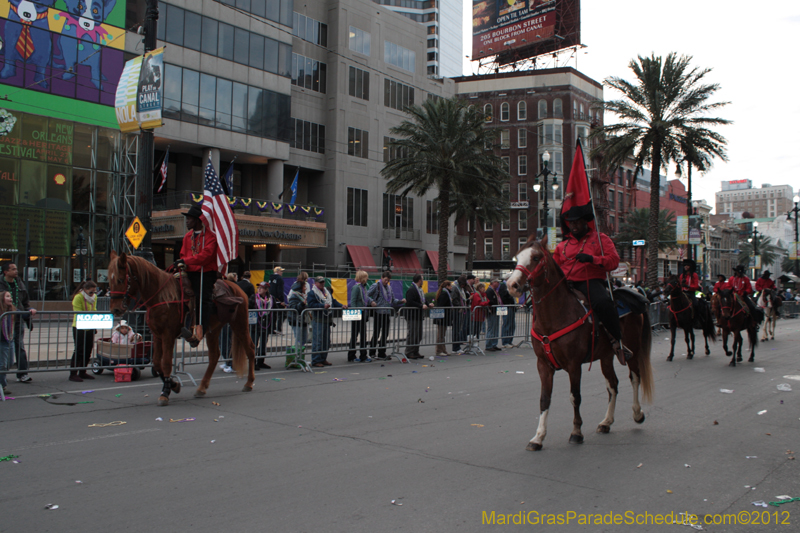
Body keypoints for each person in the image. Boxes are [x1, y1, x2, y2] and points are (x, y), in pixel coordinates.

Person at [554, 205, 631, 364]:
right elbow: (555, 267)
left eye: (577, 222)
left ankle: (617, 342)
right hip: (567, 284)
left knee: (603, 303)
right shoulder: (562, 246)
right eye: (571, 223)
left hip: (591, 281)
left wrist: (592, 259)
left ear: (585, 222)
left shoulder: (601, 239)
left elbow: (614, 262)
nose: (574, 226)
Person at [175, 204, 218, 346]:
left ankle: (200, 332)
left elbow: (205, 257)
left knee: (202, 300)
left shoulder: (210, 237)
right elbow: (183, 254)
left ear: (198, 220)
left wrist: (186, 260)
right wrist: (182, 264)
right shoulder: (188, 236)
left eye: (189, 219)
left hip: (205, 273)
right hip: (190, 271)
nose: (187, 221)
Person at [0, 262, 37, 383]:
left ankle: (22, 373)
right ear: (6, 272)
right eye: (13, 269)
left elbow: (25, 299)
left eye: (16, 269)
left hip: (18, 318)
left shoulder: (19, 282)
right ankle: (2, 377)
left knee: (19, 345)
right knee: (5, 348)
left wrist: (28, 311)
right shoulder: (1, 283)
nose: (16, 271)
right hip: (4, 319)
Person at [307, 276, 345, 367]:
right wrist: (322, 306)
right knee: (318, 341)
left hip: (327, 320)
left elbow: (333, 301)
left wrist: (341, 305)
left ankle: (323, 358)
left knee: (326, 341)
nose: (322, 283)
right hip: (318, 320)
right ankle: (316, 360)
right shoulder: (312, 293)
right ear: (315, 283)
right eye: (320, 282)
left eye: (323, 282)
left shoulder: (327, 292)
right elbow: (311, 304)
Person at [368, 271, 404, 359]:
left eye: (388, 280)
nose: (386, 282)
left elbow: (392, 300)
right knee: (376, 333)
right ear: (382, 277)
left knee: (385, 333)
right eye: (385, 280)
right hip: (378, 312)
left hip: (387, 312)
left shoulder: (389, 288)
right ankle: (372, 352)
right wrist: (371, 301)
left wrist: (400, 301)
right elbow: (366, 295)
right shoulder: (376, 286)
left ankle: (381, 352)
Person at [69, 281, 98, 382]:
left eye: (94, 292)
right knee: (79, 349)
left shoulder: (94, 298)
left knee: (88, 349)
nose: (93, 294)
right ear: (85, 290)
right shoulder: (78, 297)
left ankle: (82, 371)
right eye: (90, 292)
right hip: (79, 325)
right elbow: (78, 312)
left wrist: (94, 324)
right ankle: (73, 373)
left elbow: (94, 310)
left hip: (90, 325)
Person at [348, 270, 376, 362]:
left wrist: (371, 301)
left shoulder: (363, 287)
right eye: (366, 277)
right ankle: (352, 355)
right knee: (355, 335)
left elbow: (366, 297)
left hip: (363, 312)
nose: (367, 278)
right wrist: (356, 314)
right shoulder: (356, 287)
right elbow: (353, 301)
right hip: (357, 313)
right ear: (362, 278)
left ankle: (363, 355)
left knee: (363, 334)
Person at [404, 274, 431, 360]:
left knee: (418, 334)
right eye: (422, 279)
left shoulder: (420, 290)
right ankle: (409, 351)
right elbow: (410, 302)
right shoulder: (411, 290)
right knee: (412, 334)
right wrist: (420, 306)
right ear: (419, 280)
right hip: (412, 315)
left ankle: (416, 351)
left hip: (418, 315)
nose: (423, 281)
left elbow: (423, 300)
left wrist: (428, 304)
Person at [249, 282, 273, 370]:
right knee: (253, 344)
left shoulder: (270, 299)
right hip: (255, 325)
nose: (259, 289)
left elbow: (275, 309)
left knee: (263, 344)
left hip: (266, 325)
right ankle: (252, 362)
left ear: (266, 290)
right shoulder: (253, 297)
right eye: (258, 287)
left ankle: (261, 362)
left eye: (262, 288)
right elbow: (248, 307)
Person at [0, 291, 16, 395]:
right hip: (1, 341)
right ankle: (3, 386)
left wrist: (30, 310)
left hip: (9, 340)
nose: (10, 298)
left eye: (10, 296)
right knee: (2, 365)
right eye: (7, 296)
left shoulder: (12, 310)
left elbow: (22, 312)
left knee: (10, 362)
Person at [434, 280, 454, 356]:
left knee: (442, 334)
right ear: (447, 286)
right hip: (442, 317)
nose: (451, 287)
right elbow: (442, 305)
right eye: (450, 286)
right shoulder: (444, 294)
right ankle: (439, 350)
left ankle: (443, 349)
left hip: (444, 316)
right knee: (441, 334)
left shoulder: (446, 293)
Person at [451, 275, 470, 353]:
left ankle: (457, 346)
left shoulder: (461, 288)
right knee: (456, 329)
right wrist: (459, 306)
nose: (463, 286)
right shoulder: (455, 287)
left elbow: (470, 289)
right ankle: (455, 347)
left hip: (461, 310)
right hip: (457, 310)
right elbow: (454, 299)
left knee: (459, 328)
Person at [499, 274, 517, 348]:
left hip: (510, 307)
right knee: (506, 324)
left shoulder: (509, 286)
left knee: (512, 325)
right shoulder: (503, 286)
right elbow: (503, 297)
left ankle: (509, 340)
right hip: (506, 307)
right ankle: (505, 342)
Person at [484, 279, 501, 351]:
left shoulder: (494, 290)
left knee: (495, 328)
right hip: (492, 312)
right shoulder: (489, 291)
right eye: (497, 282)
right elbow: (490, 301)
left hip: (496, 311)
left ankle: (494, 343)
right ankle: (489, 345)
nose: (498, 284)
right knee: (491, 328)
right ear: (493, 282)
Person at [269, 266, 287, 334]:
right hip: (278, 299)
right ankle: (278, 328)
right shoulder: (279, 279)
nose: (282, 272)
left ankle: (272, 328)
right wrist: (282, 300)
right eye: (281, 271)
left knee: (273, 314)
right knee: (283, 314)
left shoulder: (271, 278)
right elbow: (280, 290)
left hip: (271, 298)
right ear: (277, 271)